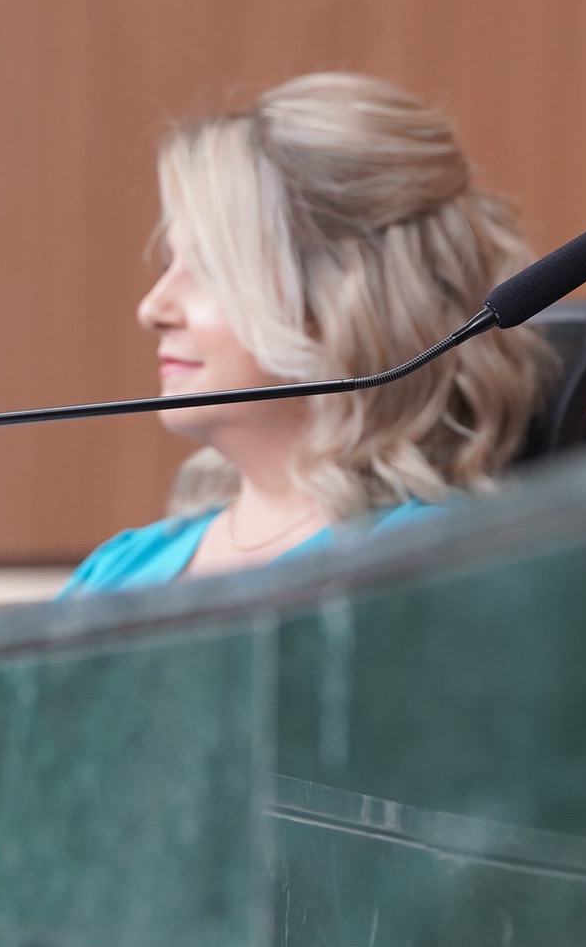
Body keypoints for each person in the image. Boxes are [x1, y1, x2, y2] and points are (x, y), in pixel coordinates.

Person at [61, 74, 556, 594]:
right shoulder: (118, 566)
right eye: (169, 265)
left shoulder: (433, 564)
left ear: (338, 299)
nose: (151, 310)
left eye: (211, 270)